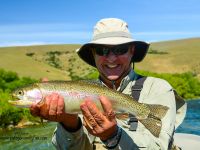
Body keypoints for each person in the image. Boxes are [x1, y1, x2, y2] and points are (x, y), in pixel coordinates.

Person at [30, 18, 186, 150]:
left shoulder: (158, 88)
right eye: (102, 50)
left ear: (132, 51)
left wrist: (112, 136)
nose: (111, 58)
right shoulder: (78, 94)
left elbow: (161, 146)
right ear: (93, 53)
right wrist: (69, 123)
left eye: (121, 49)